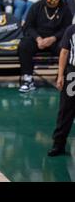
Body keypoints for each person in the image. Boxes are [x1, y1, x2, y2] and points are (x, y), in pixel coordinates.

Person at [18, 0, 73, 93]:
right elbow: (28, 26)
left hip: (56, 40)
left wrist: (53, 38)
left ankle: (61, 77)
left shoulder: (65, 9)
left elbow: (67, 28)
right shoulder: (36, 6)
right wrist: (38, 38)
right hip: (38, 39)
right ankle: (27, 79)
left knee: (67, 47)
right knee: (24, 45)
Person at [48, 23, 75, 157]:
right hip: (72, 74)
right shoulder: (71, 30)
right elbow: (64, 52)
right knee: (66, 109)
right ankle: (58, 144)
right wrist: (60, 75)